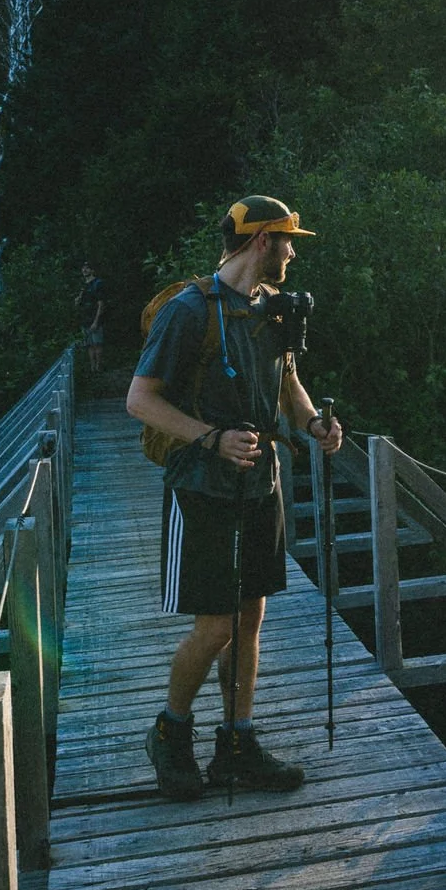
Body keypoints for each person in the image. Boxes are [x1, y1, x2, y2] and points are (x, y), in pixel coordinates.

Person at [124, 196, 343, 799]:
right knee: (215, 623)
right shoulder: (189, 311)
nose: (293, 251)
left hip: (260, 482)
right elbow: (140, 401)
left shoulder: (276, 310)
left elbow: (287, 381)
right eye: (288, 240)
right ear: (260, 241)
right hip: (201, 487)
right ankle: (170, 734)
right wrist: (212, 438)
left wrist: (312, 426)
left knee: (250, 616)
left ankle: (238, 745)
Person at [76, 264, 106, 374]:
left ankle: (99, 367)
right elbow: (79, 303)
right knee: (89, 344)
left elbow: (101, 304)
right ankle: (92, 368)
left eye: (87, 268)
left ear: (92, 270)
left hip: (94, 319)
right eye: (83, 268)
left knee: (97, 343)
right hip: (85, 319)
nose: (84, 270)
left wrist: (96, 321)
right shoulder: (83, 286)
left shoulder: (98, 284)